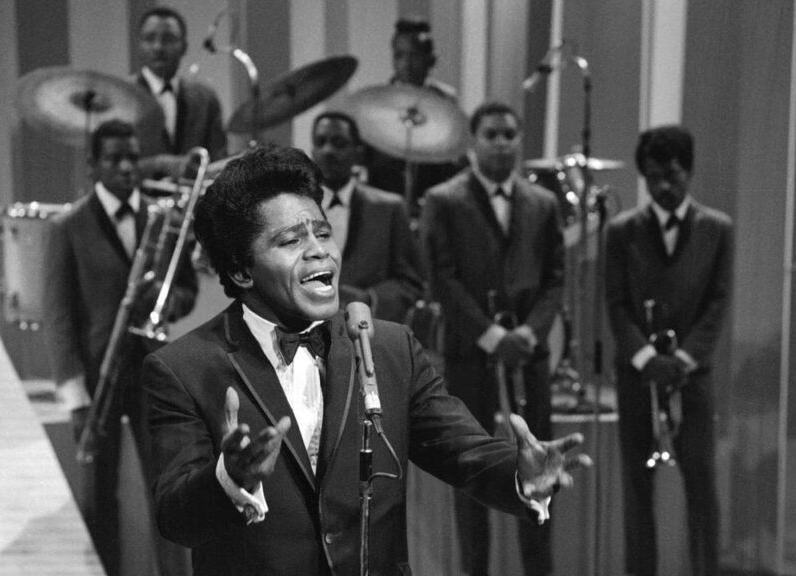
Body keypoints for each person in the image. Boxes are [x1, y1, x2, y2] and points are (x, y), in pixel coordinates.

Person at [141, 144, 590, 576]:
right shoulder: (183, 369)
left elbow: (465, 451)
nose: (319, 250)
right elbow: (175, 518)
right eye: (291, 240)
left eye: (322, 233)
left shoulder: (391, 348)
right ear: (241, 270)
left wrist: (521, 473)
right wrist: (228, 477)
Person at [42, 119, 197, 576]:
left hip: (153, 373)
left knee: (168, 491)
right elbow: (58, 318)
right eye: (114, 159)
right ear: (93, 165)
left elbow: (185, 289)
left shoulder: (162, 217)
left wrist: (164, 303)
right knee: (98, 499)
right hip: (97, 379)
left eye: (132, 157)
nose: (127, 167)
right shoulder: (67, 226)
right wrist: (74, 398)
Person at [421, 101, 566, 576]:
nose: (502, 143)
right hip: (470, 357)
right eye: (491, 134)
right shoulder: (443, 199)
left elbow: (555, 278)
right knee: (473, 476)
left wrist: (528, 332)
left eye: (509, 134)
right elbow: (441, 278)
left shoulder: (543, 203)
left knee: (541, 474)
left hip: (528, 358)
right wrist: (491, 335)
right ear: (472, 142)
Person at [604, 125, 733, 576]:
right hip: (637, 376)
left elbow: (718, 302)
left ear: (689, 172)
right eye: (654, 177)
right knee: (637, 488)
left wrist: (682, 360)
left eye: (672, 175)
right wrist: (646, 359)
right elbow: (615, 304)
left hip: (691, 377)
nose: (663, 186)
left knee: (701, 484)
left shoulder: (717, 229)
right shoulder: (621, 231)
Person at [310, 110, 425, 323]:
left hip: (368, 330)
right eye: (320, 142)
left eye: (339, 143)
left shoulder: (389, 209)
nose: (328, 151)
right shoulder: (295, 208)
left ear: (358, 153)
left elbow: (411, 282)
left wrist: (370, 299)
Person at [362, 17, 463, 216]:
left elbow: (454, 159)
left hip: (434, 207)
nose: (406, 64)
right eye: (399, 55)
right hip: (385, 206)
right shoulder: (377, 102)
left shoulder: (446, 101)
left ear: (431, 59)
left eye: (414, 55)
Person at [134, 5, 228, 179]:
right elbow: (110, 169)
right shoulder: (121, 97)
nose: (158, 47)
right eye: (149, 38)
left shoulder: (205, 98)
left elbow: (218, 158)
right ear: (139, 45)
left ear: (184, 47)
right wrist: (159, 164)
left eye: (168, 39)